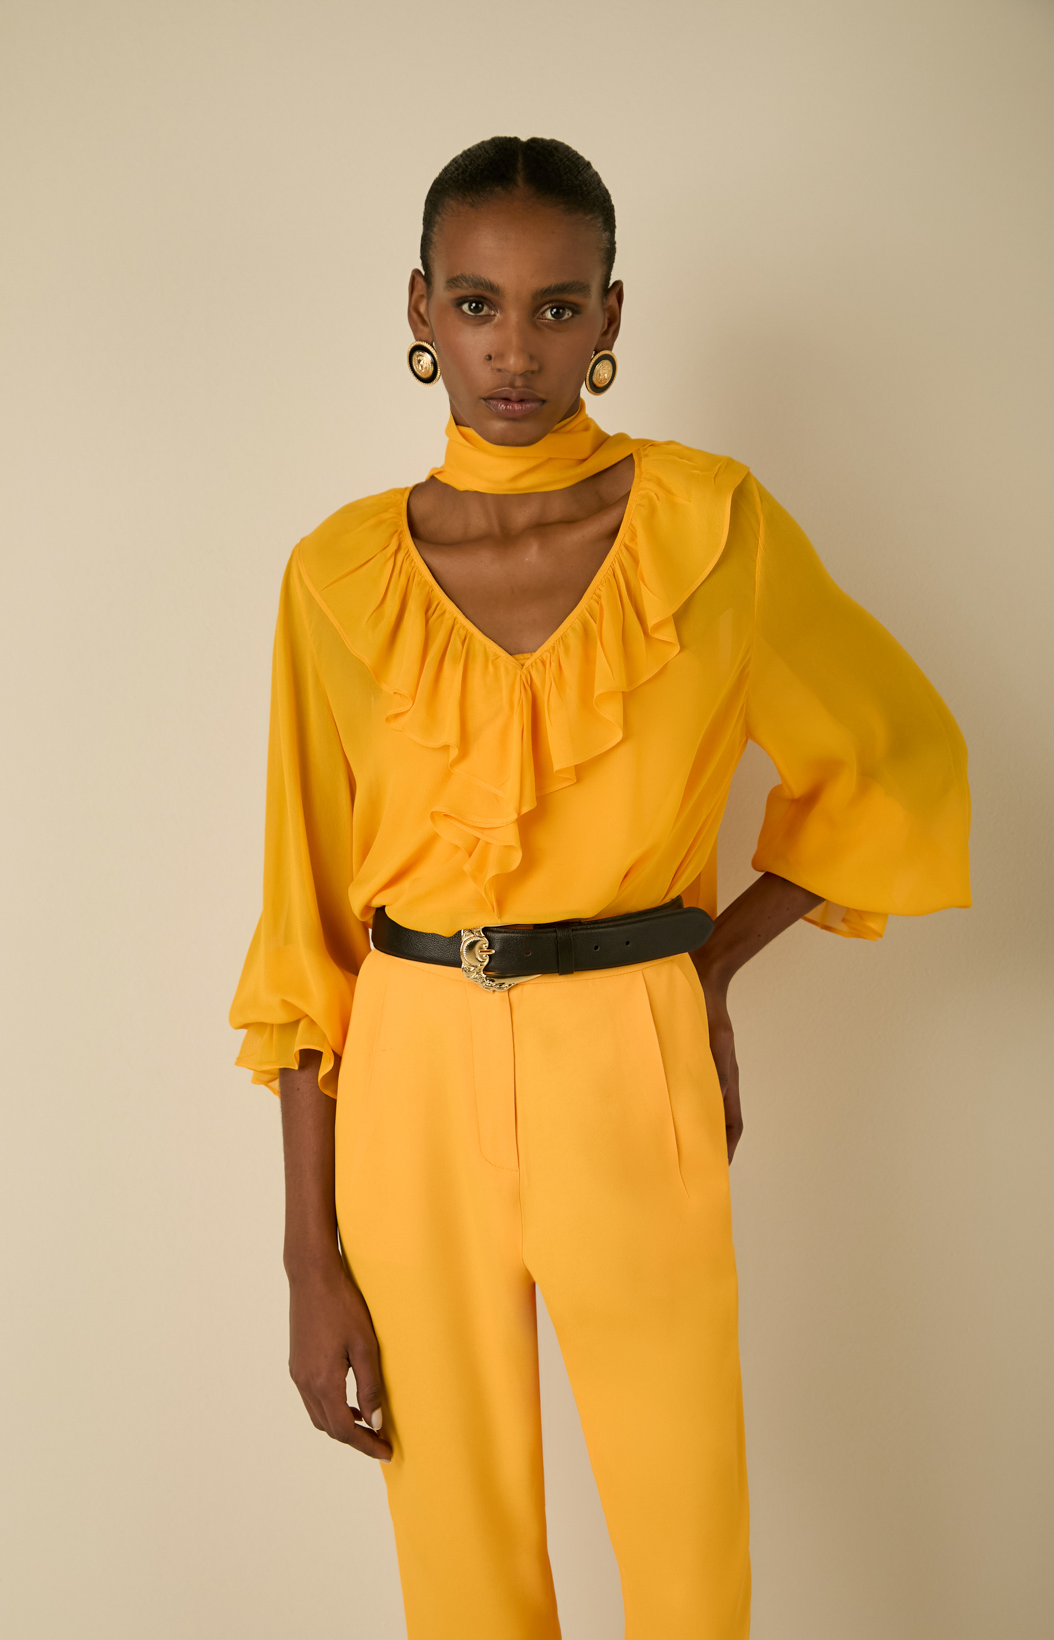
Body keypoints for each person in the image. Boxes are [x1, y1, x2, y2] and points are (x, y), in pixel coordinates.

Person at [230, 136, 970, 1640]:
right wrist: (309, 1262)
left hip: (629, 1046)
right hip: (408, 1072)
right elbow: (303, 927)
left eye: (556, 307)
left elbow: (895, 756)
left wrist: (707, 962)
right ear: (421, 309)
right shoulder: (336, 576)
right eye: (477, 304)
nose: (514, 349)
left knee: (683, 1533)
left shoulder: (710, 528)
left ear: (612, 316)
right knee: (458, 1547)